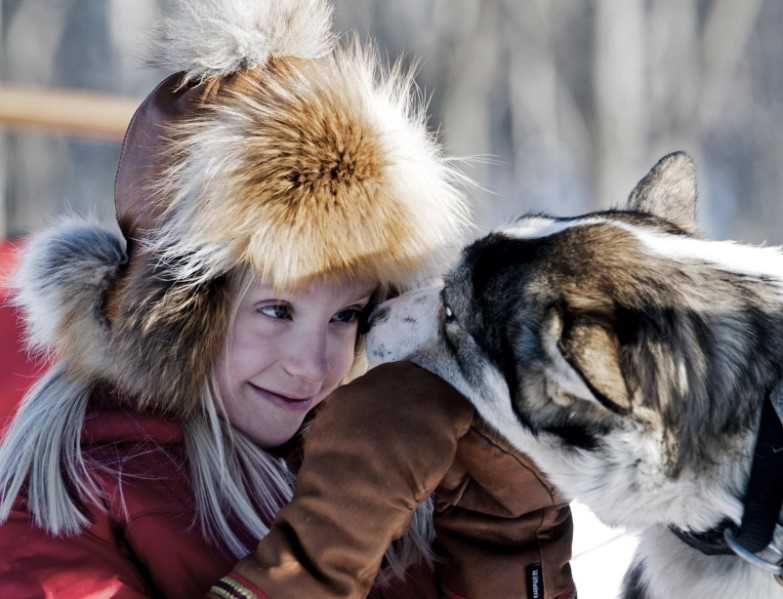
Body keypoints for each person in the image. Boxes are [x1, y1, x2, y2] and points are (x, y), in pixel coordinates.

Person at [0, 2, 576, 598]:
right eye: (277, 310)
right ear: (180, 316)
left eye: (347, 315)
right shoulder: (72, 494)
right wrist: (324, 548)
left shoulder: (388, 454)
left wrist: (506, 536)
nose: (312, 366)